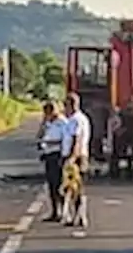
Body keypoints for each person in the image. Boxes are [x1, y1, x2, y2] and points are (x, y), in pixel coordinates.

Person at [60, 93, 93, 228]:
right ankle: (78, 216)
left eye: (66, 105)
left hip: (76, 157)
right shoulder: (79, 119)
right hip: (78, 156)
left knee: (74, 188)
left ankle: (79, 216)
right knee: (75, 189)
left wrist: (72, 158)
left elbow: (77, 140)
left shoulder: (76, 120)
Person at [37, 101, 67, 222]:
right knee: (51, 185)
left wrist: (49, 143)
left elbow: (64, 140)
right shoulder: (48, 123)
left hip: (58, 154)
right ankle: (55, 211)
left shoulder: (62, 122)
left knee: (59, 184)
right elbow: (39, 136)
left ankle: (64, 211)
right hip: (48, 154)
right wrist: (43, 123)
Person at [111, 99, 133, 179]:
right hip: (129, 133)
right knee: (129, 151)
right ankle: (130, 166)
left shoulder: (124, 112)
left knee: (127, 151)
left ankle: (129, 166)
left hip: (128, 133)